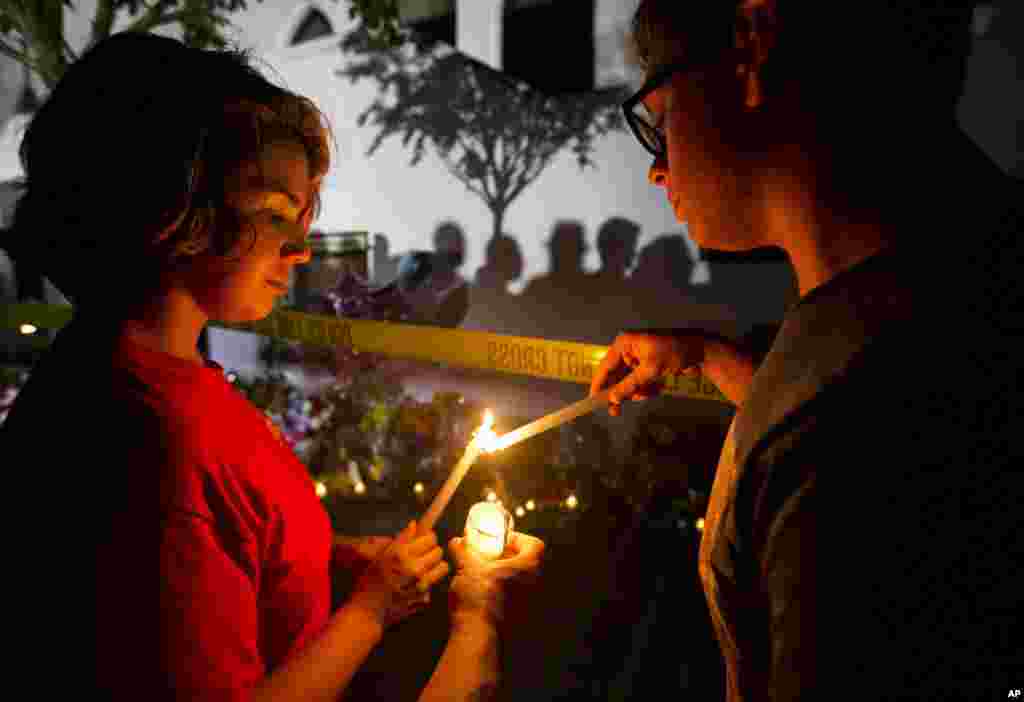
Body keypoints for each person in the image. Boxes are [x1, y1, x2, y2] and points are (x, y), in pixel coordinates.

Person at [0, 32, 544, 702]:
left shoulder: (157, 376)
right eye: (273, 215)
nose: (299, 248)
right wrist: (373, 610)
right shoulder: (146, 444)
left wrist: (325, 562)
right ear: (172, 212)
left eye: (302, 218)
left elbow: (218, 560)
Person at [590, 1, 1022, 700]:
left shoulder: (855, 430)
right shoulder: (950, 273)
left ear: (752, 48)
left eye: (662, 116)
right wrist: (703, 356)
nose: (657, 169)